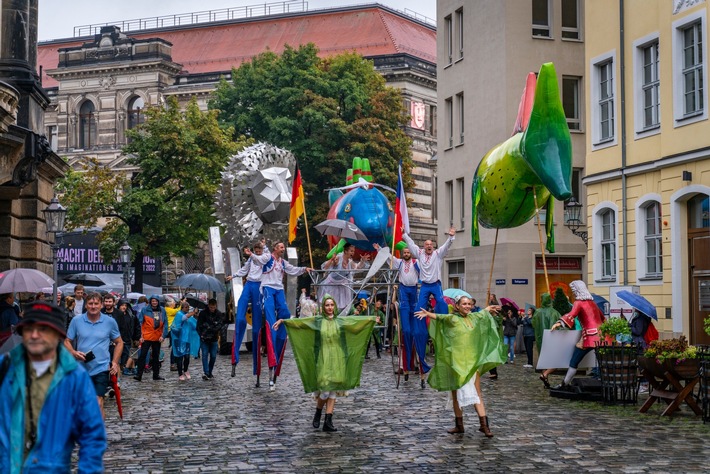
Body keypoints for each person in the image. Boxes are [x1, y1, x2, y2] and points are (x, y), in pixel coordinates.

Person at [0, 301, 106, 472]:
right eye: (29, 329)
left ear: (57, 335)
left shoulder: (74, 377)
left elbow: (92, 434)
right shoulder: (5, 368)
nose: (34, 335)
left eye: (43, 329)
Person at [273, 294, 375, 432]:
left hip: (338, 358)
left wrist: (371, 320)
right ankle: (318, 412)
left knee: (333, 392)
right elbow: (301, 323)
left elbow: (355, 324)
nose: (330, 307)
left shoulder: (340, 321)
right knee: (325, 392)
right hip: (323, 357)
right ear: (323, 307)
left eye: (332, 305)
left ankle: (328, 420)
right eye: (327, 305)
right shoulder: (318, 321)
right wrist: (283, 321)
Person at [414, 296, 505, 437]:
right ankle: (459, 425)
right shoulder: (453, 319)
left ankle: (484, 426)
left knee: (477, 394)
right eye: (464, 304)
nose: (467, 306)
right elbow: (440, 317)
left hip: (472, 364)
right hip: (456, 364)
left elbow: (482, 313)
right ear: (457, 306)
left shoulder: (474, 317)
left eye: (469, 304)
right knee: (456, 395)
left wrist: (488, 308)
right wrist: (427, 313)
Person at [250, 241, 313, 390]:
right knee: (271, 319)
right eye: (281, 247)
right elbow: (259, 259)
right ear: (275, 249)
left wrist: (304, 269)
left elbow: (293, 270)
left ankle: (280, 334)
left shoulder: (283, 262)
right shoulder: (268, 258)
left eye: (284, 247)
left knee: (285, 312)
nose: (283, 249)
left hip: (278, 290)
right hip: (267, 289)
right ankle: (271, 334)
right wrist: (253, 253)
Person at [373, 243, 427, 387]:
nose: (406, 253)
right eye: (404, 252)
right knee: (407, 331)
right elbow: (388, 257)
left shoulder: (416, 262)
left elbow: (428, 267)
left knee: (416, 330)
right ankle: (406, 367)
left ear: (411, 253)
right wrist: (380, 249)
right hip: (403, 291)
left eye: (408, 252)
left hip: (413, 291)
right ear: (402, 253)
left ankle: (420, 370)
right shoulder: (399, 262)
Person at [65, 292, 123, 419]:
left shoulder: (109, 322)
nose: (93, 306)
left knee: (97, 402)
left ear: (101, 305)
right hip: (82, 369)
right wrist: (73, 353)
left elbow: (119, 342)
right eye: (90, 303)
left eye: (96, 303)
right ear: (86, 305)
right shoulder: (77, 321)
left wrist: (115, 362)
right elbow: (67, 341)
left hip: (101, 368)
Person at [546, 280, 605, 390]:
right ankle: (605, 382)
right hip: (601, 336)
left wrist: (559, 323)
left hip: (589, 337)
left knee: (574, 361)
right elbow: (602, 318)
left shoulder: (579, 302)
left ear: (577, 291)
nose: (573, 293)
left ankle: (565, 384)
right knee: (602, 361)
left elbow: (571, 315)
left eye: (573, 291)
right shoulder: (593, 303)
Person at [225, 239, 266, 379]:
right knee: (241, 310)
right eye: (256, 250)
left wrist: (262, 245)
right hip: (249, 284)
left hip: (259, 287)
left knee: (256, 325)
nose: (258, 252)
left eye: (259, 250)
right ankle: (235, 354)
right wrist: (234, 276)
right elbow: (244, 270)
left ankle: (257, 356)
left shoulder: (265, 258)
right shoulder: (251, 260)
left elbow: (263, 259)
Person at [318, 243, 369, 311]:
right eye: (351, 251)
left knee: (342, 305)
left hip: (342, 284)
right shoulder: (338, 258)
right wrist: (332, 260)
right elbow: (325, 267)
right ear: (345, 251)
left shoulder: (350, 261)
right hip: (332, 284)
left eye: (353, 251)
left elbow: (357, 268)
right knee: (330, 303)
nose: (353, 253)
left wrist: (362, 261)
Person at [134, 295, 168, 382]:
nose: (154, 302)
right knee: (142, 356)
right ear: (150, 301)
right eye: (153, 301)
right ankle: (139, 375)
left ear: (158, 301)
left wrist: (163, 336)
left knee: (156, 356)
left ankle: (156, 375)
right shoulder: (145, 310)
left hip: (157, 337)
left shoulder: (162, 310)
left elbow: (165, 324)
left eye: (156, 301)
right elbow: (140, 323)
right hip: (146, 336)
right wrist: (140, 336)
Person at [196, 298, 226, 380]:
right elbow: (198, 326)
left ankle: (210, 371)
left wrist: (212, 328)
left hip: (213, 338)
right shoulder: (203, 313)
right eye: (211, 307)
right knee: (205, 355)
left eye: (213, 307)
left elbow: (220, 325)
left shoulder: (218, 314)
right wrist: (201, 335)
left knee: (213, 356)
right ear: (208, 306)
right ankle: (206, 372)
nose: (212, 309)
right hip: (204, 338)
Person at [171, 301, 200, 381]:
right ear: (182, 308)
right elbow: (184, 317)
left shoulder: (188, 317)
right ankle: (180, 373)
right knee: (180, 357)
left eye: (188, 307)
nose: (187, 309)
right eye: (186, 307)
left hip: (186, 339)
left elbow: (193, 324)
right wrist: (193, 312)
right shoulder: (179, 314)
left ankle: (186, 370)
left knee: (187, 357)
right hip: (179, 339)